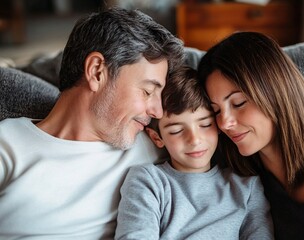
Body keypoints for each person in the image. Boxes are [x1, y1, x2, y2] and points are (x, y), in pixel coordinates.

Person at [0, 8, 184, 239]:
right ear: (97, 72)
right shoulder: (8, 146)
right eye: (147, 91)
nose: (157, 111)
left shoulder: (157, 144)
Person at [197, 31, 304, 240]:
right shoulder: (245, 184)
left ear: (276, 92)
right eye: (216, 111)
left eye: (238, 103)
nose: (224, 123)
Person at [115, 66, 274, 240]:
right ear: (156, 138)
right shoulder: (148, 181)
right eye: (176, 130)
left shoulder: (246, 188)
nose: (194, 140)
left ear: (218, 126)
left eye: (205, 125)